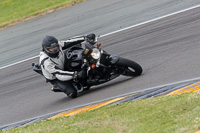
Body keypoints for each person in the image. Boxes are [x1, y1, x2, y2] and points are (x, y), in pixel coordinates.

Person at [39, 33, 96, 98]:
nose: (55, 49)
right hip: (55, 76)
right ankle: (57, 86)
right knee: (73, 93)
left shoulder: (58, 45)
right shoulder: (46, 61)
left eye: (55, 47)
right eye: (52, 48)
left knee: (76, 50)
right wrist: (76, 74)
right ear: (46, 49)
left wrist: (86, 38)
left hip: (62, 62)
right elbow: (59, 74)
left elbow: (69, 41)